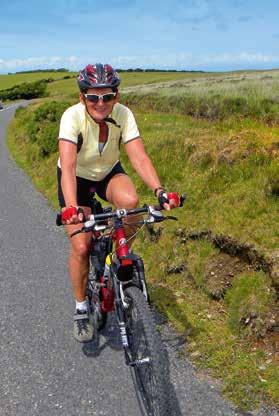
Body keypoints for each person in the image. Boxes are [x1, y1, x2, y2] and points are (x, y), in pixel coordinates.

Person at [58, 63, 179, 342]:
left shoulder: (124, 114)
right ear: (82, 97)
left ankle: (115, 252)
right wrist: (72, 208)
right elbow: (68, 164)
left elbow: (138, 157)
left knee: (132, 202)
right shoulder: (72, 117)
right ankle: (80, 307)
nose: (100, 103)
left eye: (107, 96)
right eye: (93, 97)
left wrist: (160, 191)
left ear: (117, 96)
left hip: (107, 171)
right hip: (75, 177)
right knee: (81, 244)